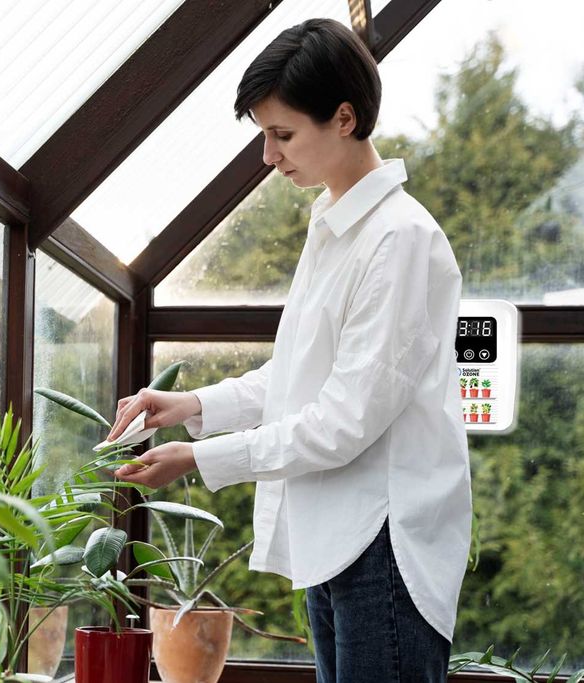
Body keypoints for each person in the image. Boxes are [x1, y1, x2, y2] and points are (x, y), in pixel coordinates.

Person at [110, 18, 471, 683]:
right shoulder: (335, 230)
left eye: (282, 135)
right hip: (336, 537)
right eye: (263, 136)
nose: (269, 158)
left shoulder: (398, 239)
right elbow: (298, 377)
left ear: (343, 118)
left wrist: (200, 456)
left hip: (383, 541)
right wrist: (191, 403)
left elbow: (344, 419)